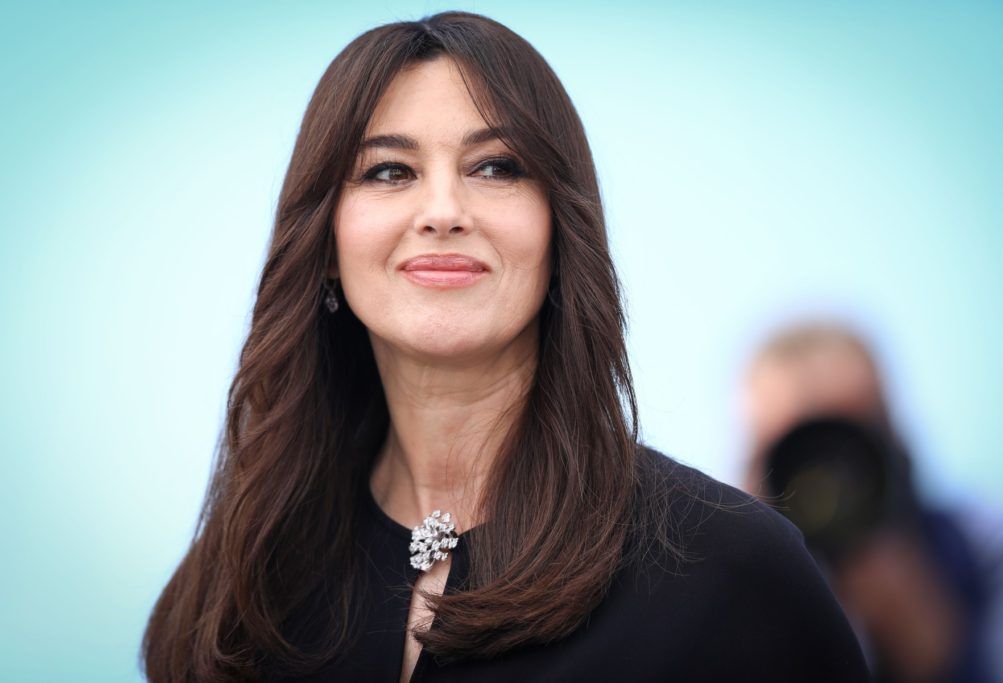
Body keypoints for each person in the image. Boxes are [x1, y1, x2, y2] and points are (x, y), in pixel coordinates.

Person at [141, 12, 868, 682]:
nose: (444, 211)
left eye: (495, 167)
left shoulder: (731, 569)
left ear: (561, 231)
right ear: (326, 244)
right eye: (389, 171)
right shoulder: (238, 588)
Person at [740, 322, 1003, 683]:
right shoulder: (730, 580)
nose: (828, 489)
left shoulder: (991, 545)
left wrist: (938, 657)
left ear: (895, 441)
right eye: (798, 452)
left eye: (848, 446)